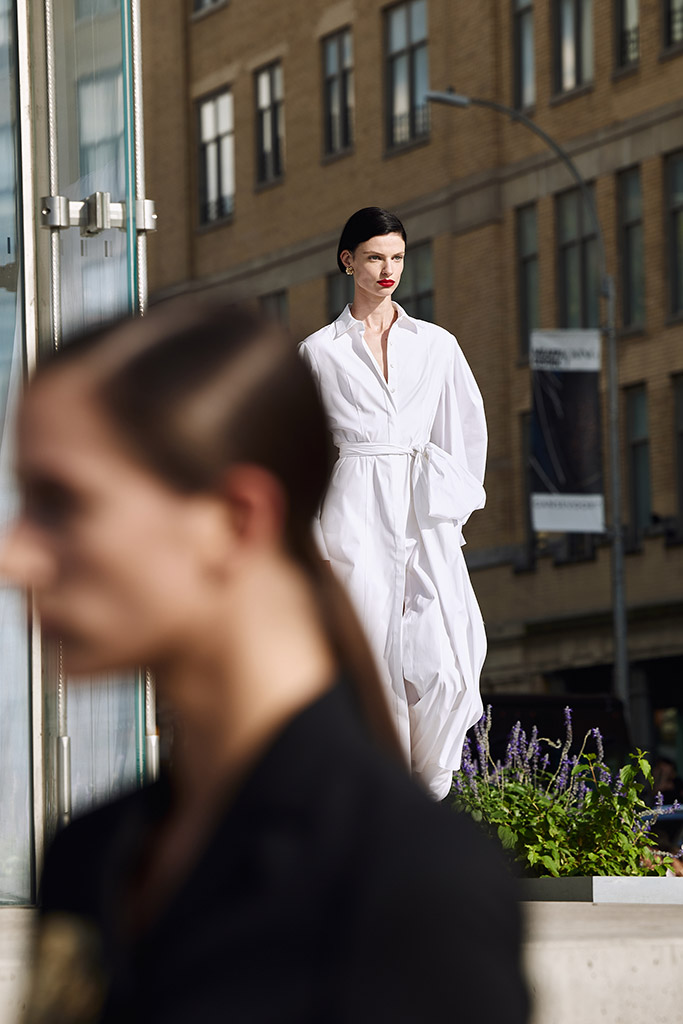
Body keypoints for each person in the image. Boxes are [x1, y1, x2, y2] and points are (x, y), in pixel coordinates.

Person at [3, 299, 527, 1024]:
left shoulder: (411, 877)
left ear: (236, 519)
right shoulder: (88, 854)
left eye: (63, 503)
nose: (14, 555)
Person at [300, 207, 488, 800]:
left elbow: (464, 432)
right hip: (353, 510)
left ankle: (424, 790)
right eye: (375, 257)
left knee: (449, 665)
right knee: (368, 666)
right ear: (347, 260)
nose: (389, 270)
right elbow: (296, 453)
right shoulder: (318, 352)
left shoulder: (436, 345)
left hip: (423, 511)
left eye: (399, 257)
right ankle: (383, 804)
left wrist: (450, 515)